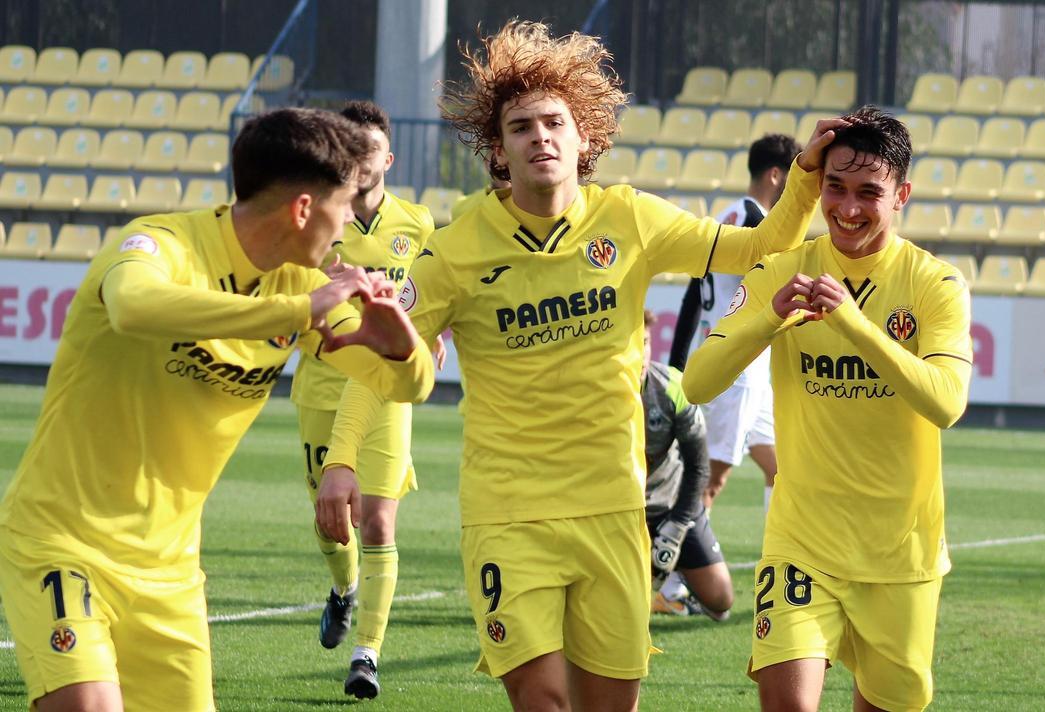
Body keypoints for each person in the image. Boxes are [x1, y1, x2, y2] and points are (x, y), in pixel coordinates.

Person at [316, 20, 833, 711]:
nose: (540, 137)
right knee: (543, 701)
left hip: (613, 508)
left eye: (554, 122)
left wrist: (804, 178)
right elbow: (389, 361)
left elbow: (762, 243)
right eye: (521, 126)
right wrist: (342, 459)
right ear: (498, 149)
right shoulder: (456, 247)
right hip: (508, 514)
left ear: (584, 135)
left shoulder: (630, 219)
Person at [0, 107, 434, 712]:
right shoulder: (163, 243)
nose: (346, 227)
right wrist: (295, 315)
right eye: (341, 207)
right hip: (63, 543)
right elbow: (134, 307)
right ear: (303, 209)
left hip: (171, 573)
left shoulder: (301, 285)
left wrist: (401, 344)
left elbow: (404, 384)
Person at [681, 106, 973, 712]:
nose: (847, 208)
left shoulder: (935, 283)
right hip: (802, 542)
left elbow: (946, 402)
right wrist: (767, 319)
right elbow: (699, 383)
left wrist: (854, 325)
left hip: (901, 553)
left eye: (869, 192)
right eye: (834, 187)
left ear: (902, 196)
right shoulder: (782, 271)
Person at [288, 100, 438, 700]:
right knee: (332, 527)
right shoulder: (323, 222)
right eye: (353, 151)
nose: (363, 161)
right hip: (323, 386)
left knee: (377, 522)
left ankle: (366, 654)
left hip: (385, 394)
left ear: (388, 158)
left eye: (371, 151)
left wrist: (436, 334)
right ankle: (344, 589)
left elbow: (434, 290)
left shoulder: (419, 223)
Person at [669, 134, 799, 514]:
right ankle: (675, 569)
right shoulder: (758, 223)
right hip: (738, 366)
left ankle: (781, 551)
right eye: (792, 178)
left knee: (782, 469)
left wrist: (678, 361)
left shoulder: (724, 218)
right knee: (709, 482)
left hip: (739, 366)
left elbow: (693, 293)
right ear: (776, 175)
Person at [640, 310, 733, 622]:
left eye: (645, 343)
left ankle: (677, 575)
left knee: (721, 600)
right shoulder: (595, 392)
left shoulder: (671, 387)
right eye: (632, 345)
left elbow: (698, 465)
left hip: (672, 505)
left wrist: (677, 526)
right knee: (615, 611)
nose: (640, 355)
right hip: (620, 512)